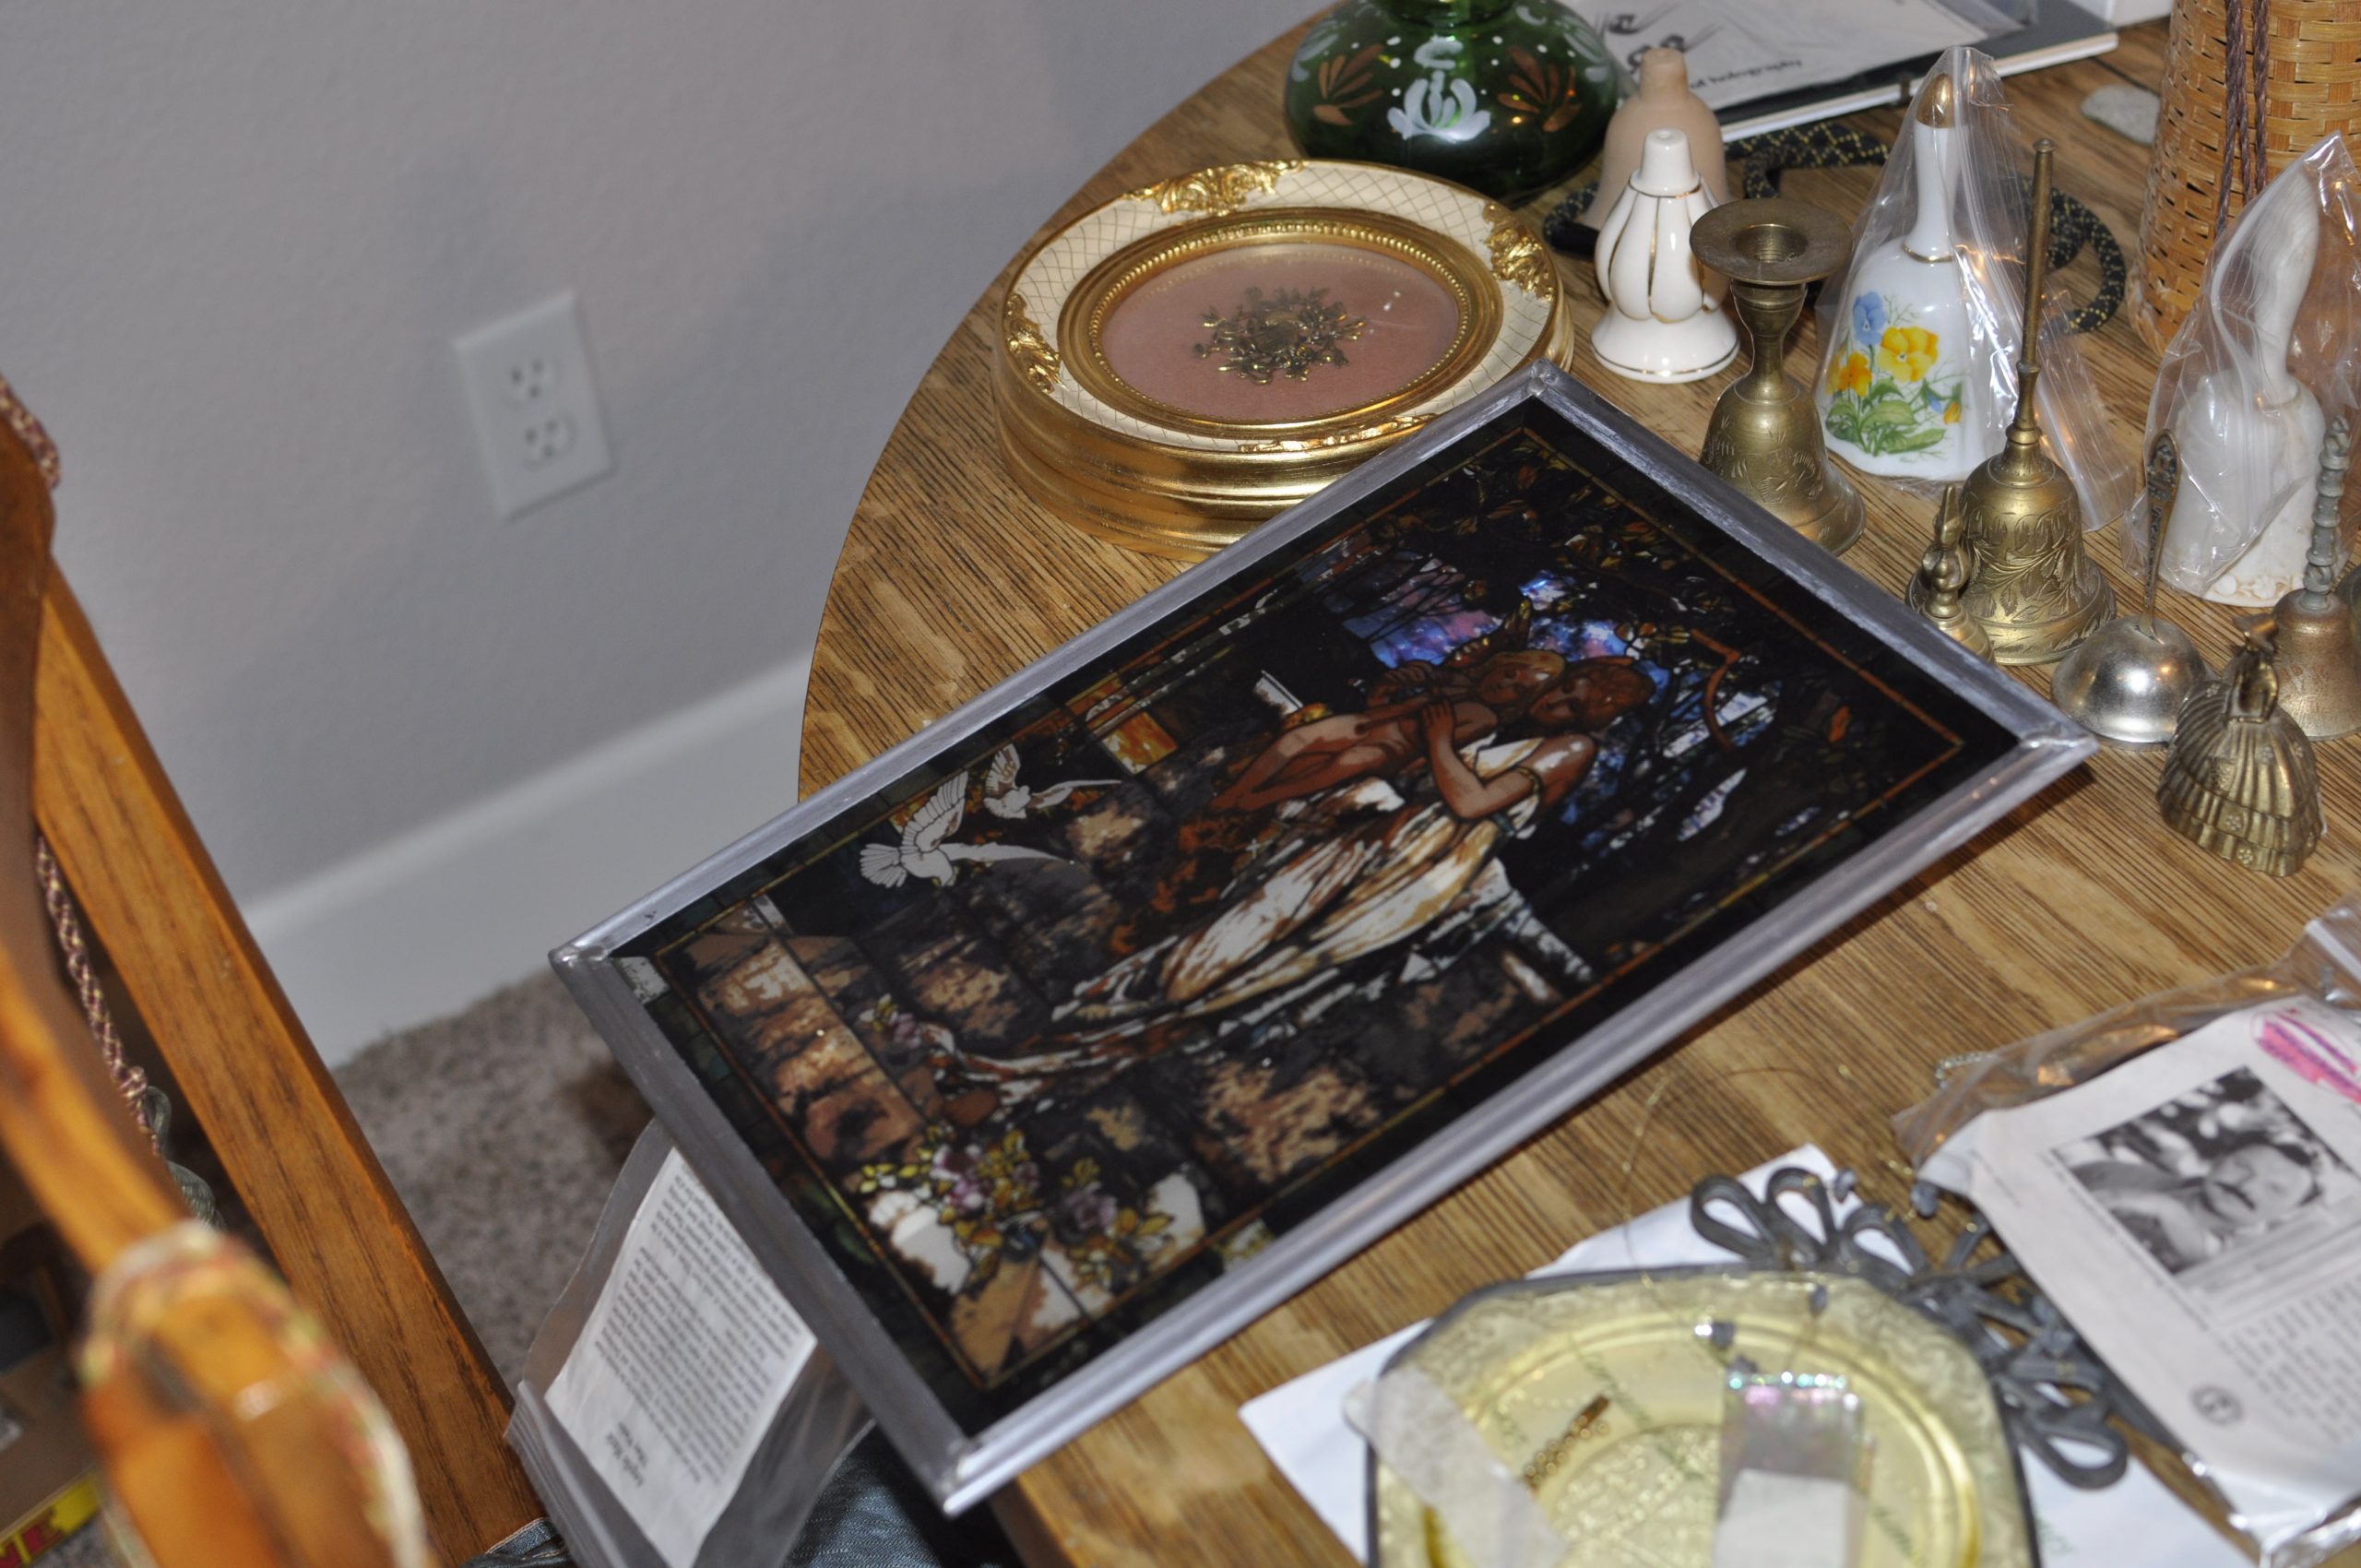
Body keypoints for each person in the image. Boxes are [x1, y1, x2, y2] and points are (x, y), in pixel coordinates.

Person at [1062, 657, 1654, 1032]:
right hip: (1385, 838)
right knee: (1254, 914)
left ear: (1595, 717)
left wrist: (1438, 740)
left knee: (1292, 950)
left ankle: (1143, 1016)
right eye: (1562, 688)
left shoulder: (1574, 749)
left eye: (1573, 703)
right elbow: (1412, 761)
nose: (1555, 703)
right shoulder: (1512, 725)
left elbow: (1472, 804)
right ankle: (1122, 997)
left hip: (1426, 864)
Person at [1208, 648, 1571, 814]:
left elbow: (1432, 743)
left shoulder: (1484, 718)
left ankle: (1266, 797)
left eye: (1518, 690)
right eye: (1510, 673)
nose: (1505, 685)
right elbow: (1395, 697)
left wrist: (1425, 713)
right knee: (1301, 737)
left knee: (1350, 761)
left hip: (1393, 750)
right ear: (1501, 664)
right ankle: (1240, 788)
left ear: (1520, 703)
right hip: (1377, 722)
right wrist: (1400, 685)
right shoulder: (1455, 680)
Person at [2072, 1134, 2323, 1273]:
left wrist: (2169, 1210)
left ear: (2292, 1212)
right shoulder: (2111, 1174)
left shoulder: (2255, 1269)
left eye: (2275, 1189)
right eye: (2242, 1167)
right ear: (2219, 1159)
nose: (2247, 1186)